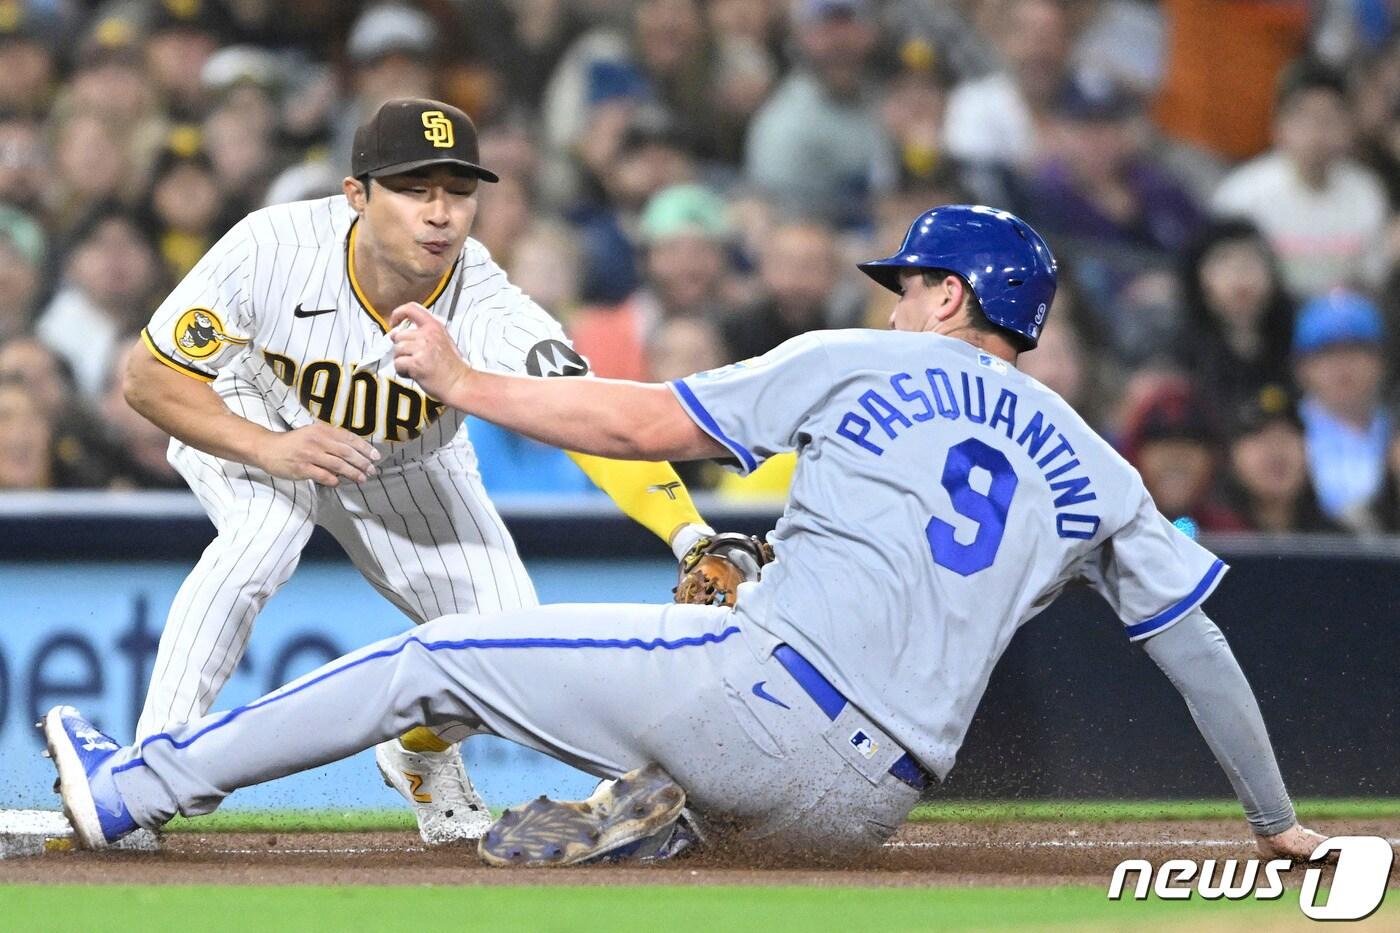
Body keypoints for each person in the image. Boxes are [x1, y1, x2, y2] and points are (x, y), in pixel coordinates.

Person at [46, 205, 1324, 866]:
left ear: (949, 296)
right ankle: (666, 817)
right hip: (871, 804)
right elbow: (1195, 649)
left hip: (756, 698)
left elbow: (641, 419)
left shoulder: (860, 365)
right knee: (747, 602)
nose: (892, 306)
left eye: (907, 287)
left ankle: (133, 788)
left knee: (434, 658)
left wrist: (466, 383)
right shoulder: (1097, 465)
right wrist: (1272, 821)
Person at [111, 98, 729, 846]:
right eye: (413, 188)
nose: (440, 213)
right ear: (356, 195)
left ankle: (416, 755)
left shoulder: (493, 308)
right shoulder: (271, 247)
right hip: (254, 412)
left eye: (458, 191)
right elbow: (146, 377)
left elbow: (591, 421)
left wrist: (688, 531)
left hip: (409, 463)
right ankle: (138, 780)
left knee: (507, 651)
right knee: (265, 531)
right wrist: (272, 448)